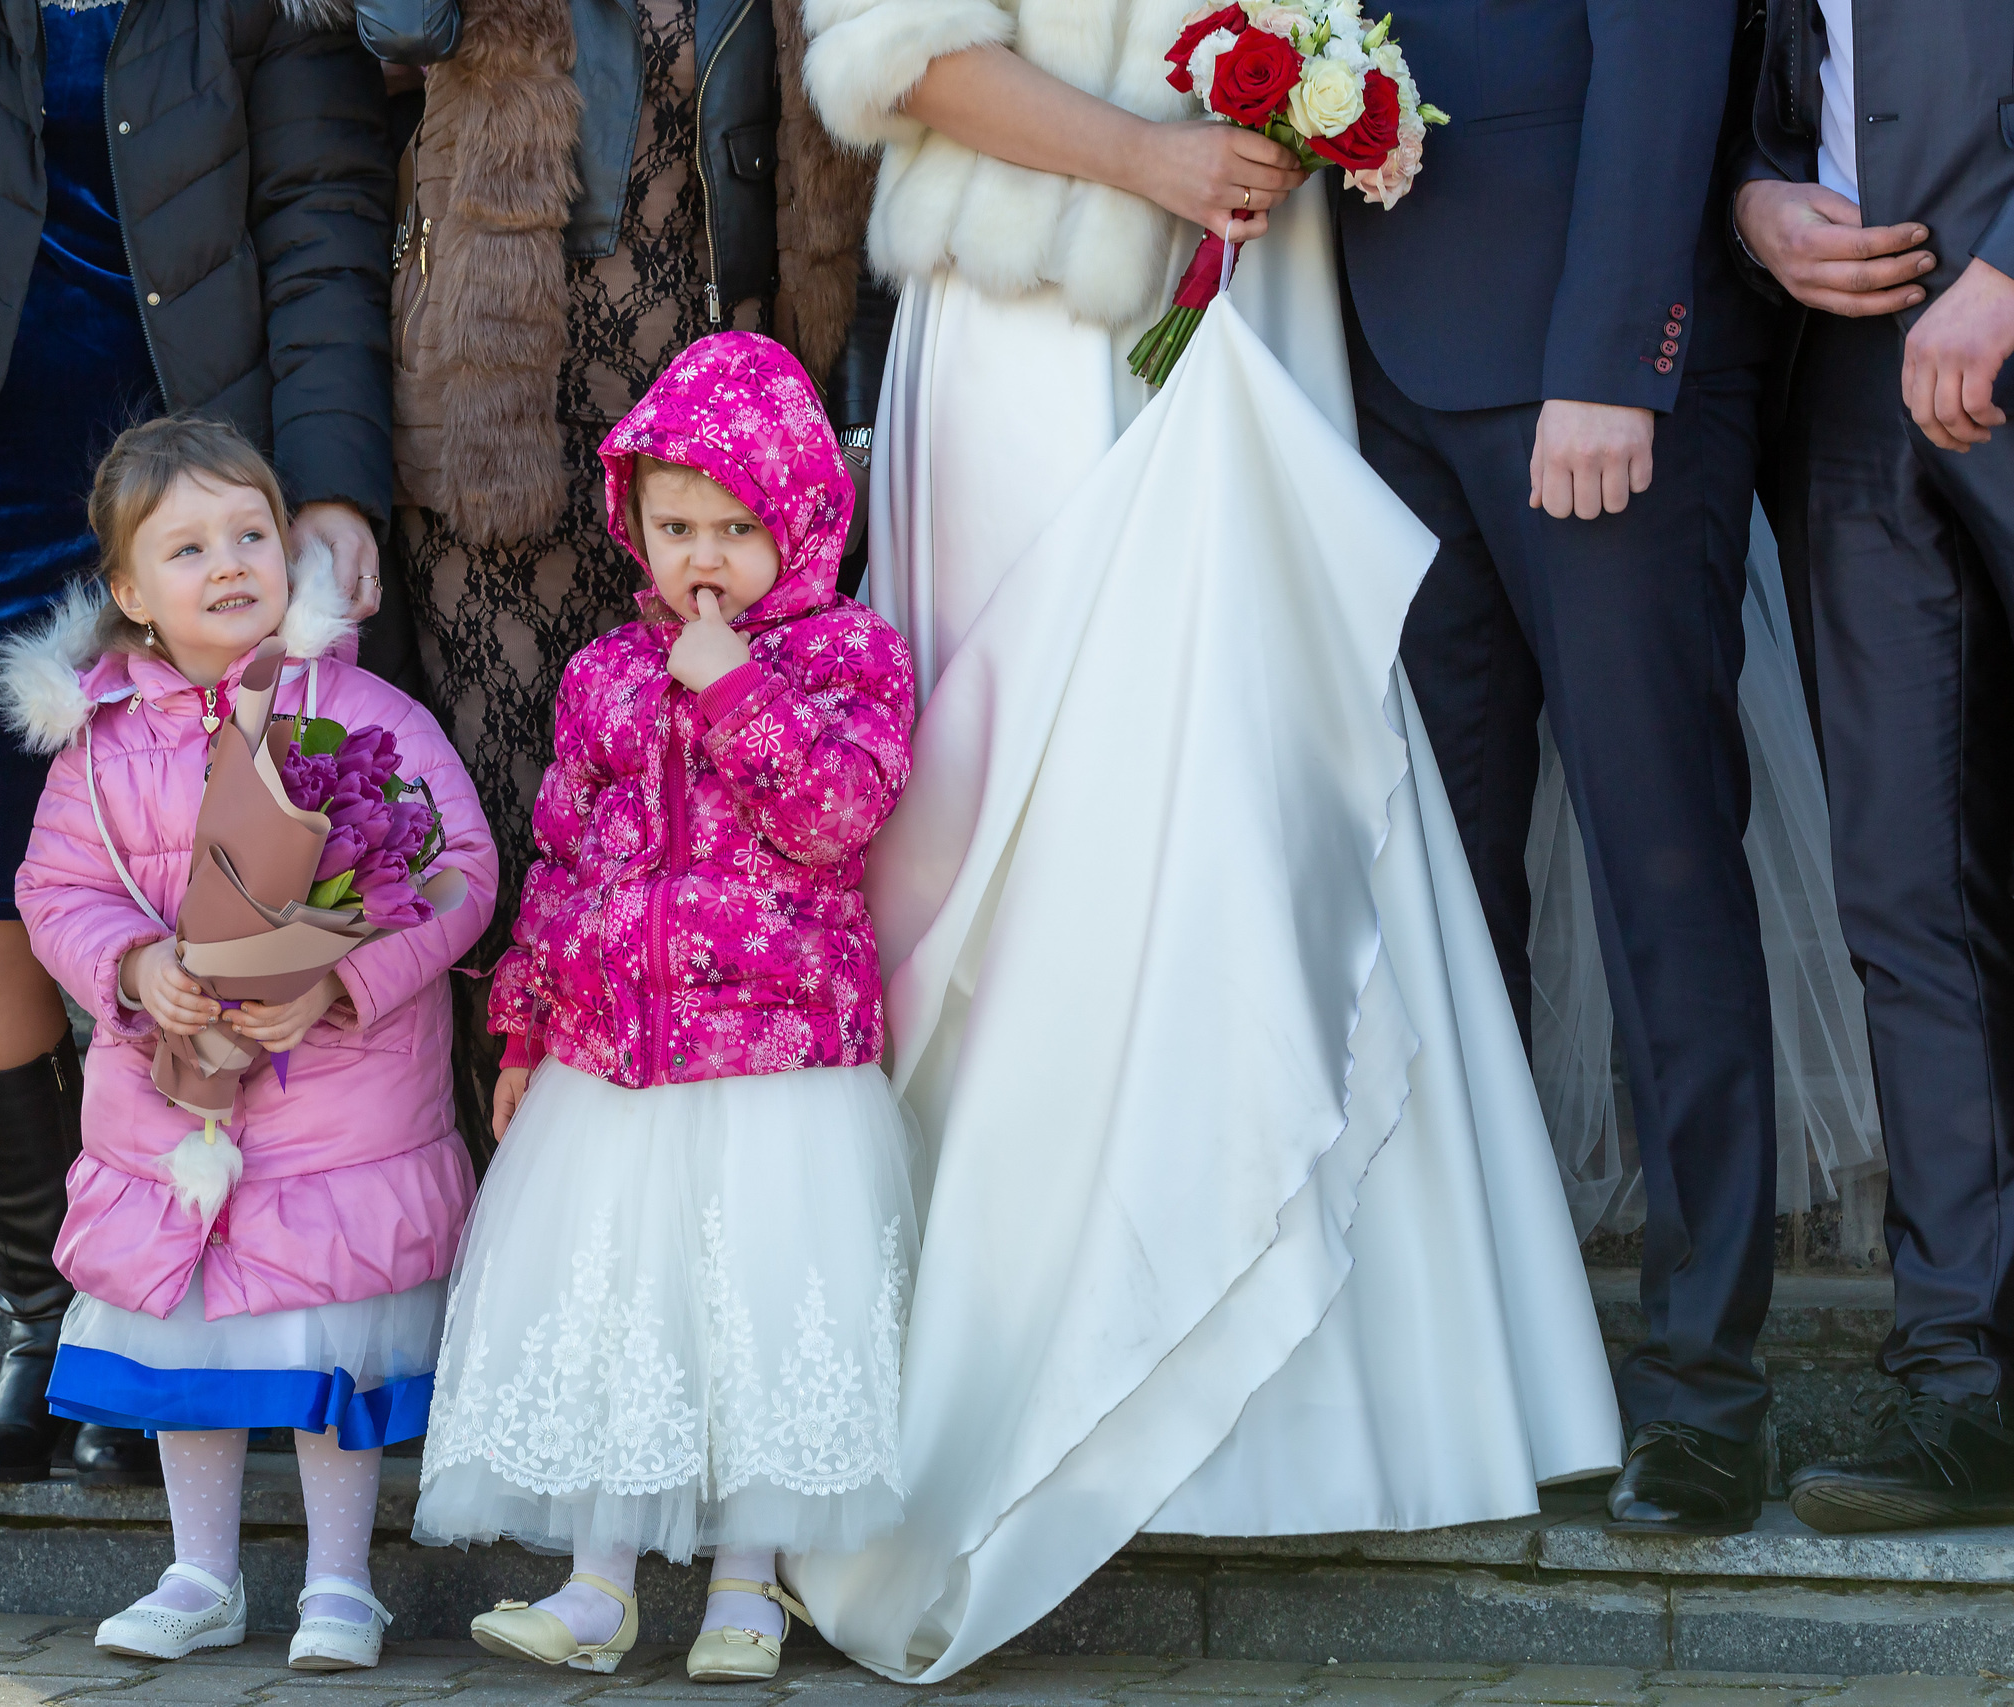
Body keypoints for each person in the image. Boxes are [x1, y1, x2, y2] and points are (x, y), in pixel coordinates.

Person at [781, 0, 1622, 1680]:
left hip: (1260, 321)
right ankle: (1034, 1365)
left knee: (1282, 768)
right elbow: (892, 54)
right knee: (1036, 819)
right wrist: (1152, 156)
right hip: (1029, 335)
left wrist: (1350, 113)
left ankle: (1317, 1401)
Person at [0, 0, 395, 1484]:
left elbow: (325, 216)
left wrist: (331, 480)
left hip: (205, 516)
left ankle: (192, 1325)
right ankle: (53, 1322)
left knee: (214, 920)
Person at [1329, 0, 1781, 1536]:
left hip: (1591, 374)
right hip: (1383, 368)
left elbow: (1665, 57)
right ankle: (1498, 1359)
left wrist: (1616, 352)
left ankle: (1708, 1388)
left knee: (1659, 861)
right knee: (1446, 886)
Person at [415, 332, 918, 1686]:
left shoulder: (846, 657)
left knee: (752, 1301)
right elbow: (567, 861)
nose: (704, 553)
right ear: (631, 518)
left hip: (777, 1057)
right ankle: (596, 1582)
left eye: (738, 526)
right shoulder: (604, 675)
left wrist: (739, 689)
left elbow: (838, 812)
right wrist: (525, 1025)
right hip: (617, 1060)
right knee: (618, 1305)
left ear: (803, 519)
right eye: (676, 521)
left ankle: (750, 1585)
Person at [0, 415, 493, 1665]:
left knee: (332, 1353)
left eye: (250, 535)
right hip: (171, 1108)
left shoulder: (362, 710)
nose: (229, 565)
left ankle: (339, 1584)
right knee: (189, 1348)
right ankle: (200, 1573)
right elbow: (55, 891)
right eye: (188, 547)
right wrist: (131, 962)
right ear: (127, 593)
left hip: (342, 1112)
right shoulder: (100, 752)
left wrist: (342, 986)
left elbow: (460, 874)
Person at [391, 0, 890, 1127]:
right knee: (527, 834)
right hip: (503, 397)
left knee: (721, 825)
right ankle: (508, 1219)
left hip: (718, 410)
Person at [1733, 0, 2014, 1532]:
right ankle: (1961, 1385)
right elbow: (1779, 84)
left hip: (1999, 313)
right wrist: (1761, 204)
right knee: (1906, 895)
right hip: (1847, 384)